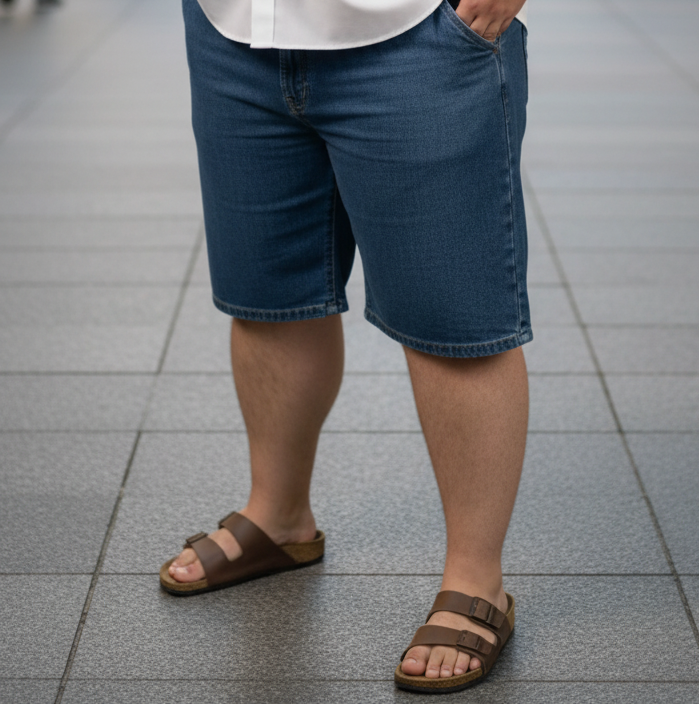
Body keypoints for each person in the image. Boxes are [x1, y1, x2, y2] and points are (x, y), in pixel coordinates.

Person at [159, 0, 530, 693]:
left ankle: (477, 579)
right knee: (269, 295)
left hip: (416, 30)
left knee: (455, 321)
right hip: (233, 28)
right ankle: (278, 517)